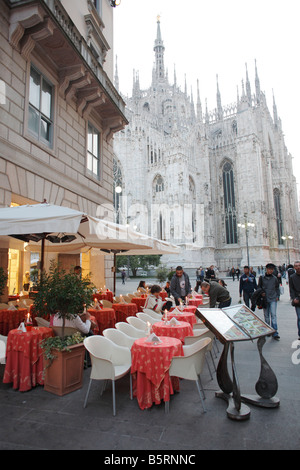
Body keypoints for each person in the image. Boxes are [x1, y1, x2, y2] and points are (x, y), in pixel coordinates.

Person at [258, 263, 280, 340]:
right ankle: (268, 330)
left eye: (272, 269)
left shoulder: (275, 278)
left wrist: (277, 295)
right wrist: (261, 293)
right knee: (266, 316)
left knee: (273, 315)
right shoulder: (261, 278)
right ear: (266, 269)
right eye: (269, 269)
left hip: (273, 298)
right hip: (265, 299)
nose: (271, 271)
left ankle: (275, 332)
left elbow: (277, 287)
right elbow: (259, 288)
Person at [289, 260, 300, 340]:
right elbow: (291, 289)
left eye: (299, 265)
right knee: (299, 317)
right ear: (294, 267)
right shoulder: (292, 277)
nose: (298, 267)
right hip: (297, 300)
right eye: (296, 266)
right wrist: (293, 298)